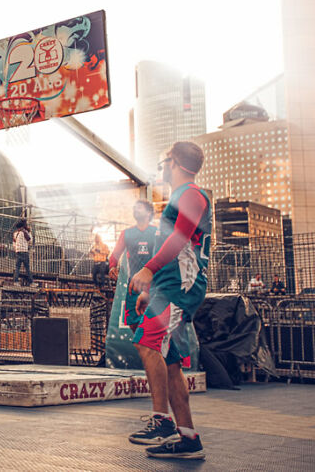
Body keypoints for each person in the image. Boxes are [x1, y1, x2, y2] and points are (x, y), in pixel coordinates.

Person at [128, 141, 211, 459]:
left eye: (165, 161)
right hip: (169, 288)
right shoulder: (178, 197)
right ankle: (188, 437)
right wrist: (152, 291)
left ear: (175, 163)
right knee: (170, 361)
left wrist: (148, 269)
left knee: (146, 344)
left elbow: (181, 239)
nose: (162, 167)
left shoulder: (191, 194)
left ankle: (162, 420)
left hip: (182, 288)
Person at [109, 200, 158, 331]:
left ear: (149, 212)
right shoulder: (127, 233)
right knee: (133, 323)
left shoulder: (157, 232)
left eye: (140, 207)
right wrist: (112, 267)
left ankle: (155, 350)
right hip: (134, 287)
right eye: (134, 207)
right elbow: (114, 255)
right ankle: (142, 349)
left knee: (155, 326)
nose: (136, 209)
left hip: (155, 286)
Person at [12, 220, 32, 286]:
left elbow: (14, 244)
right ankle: (31, 282)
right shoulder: (24, 232)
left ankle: (16, 281)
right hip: (24, 251)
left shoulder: (15, 233)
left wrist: (16, 249)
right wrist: (29, 232)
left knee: (17, 267)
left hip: (18, 252)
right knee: (27, 268)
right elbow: (30, 240)